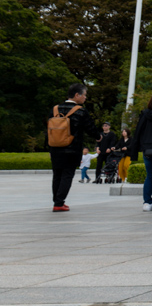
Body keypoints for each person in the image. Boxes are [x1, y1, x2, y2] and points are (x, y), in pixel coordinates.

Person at [47, 83, 97, 212]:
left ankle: (56, 202)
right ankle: (59, 203)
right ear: (77, 95)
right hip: (72, 149)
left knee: (57, 174)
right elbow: (90, 129)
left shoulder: (55, 109)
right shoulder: (80, 111)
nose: (85, 98)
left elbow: (49, 129)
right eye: (84, 95)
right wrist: (99, 137)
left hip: (55, 148)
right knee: (67, 174)